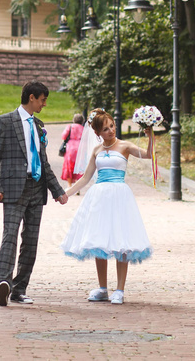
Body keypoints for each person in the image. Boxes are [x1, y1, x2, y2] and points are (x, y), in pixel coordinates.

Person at [0, 80, 68, 306]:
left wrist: (58, 190)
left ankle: (19, 289)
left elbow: (43, 162)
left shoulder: (39, 125)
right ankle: (3, 282)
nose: (44, 104)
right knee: (10, 236)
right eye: (42, 100)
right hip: (12, 190)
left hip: (36, 188)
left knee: (31, 242)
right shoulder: (5, 121)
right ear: (31, 97)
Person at [60, 108, 153, 305]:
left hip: (119, 196)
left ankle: (120, 289)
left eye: (111, 126)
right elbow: (85, 178)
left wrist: (150, 135)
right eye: (105, 129)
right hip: (99, 196)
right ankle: (102, 288)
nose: (111, 131)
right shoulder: (96, 151)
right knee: (98, 241)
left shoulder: (125, 146)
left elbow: (148, 155)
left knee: (121, 241)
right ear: (97, 133)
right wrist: (65, 193)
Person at [59, 113, 85, 188]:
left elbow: (63, 136)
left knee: (69, 166)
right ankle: (77, 186)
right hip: (80, 149)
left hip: (70, 148)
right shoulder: (83, 128)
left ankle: (69, 185)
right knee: (79, 167)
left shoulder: (70, 127)